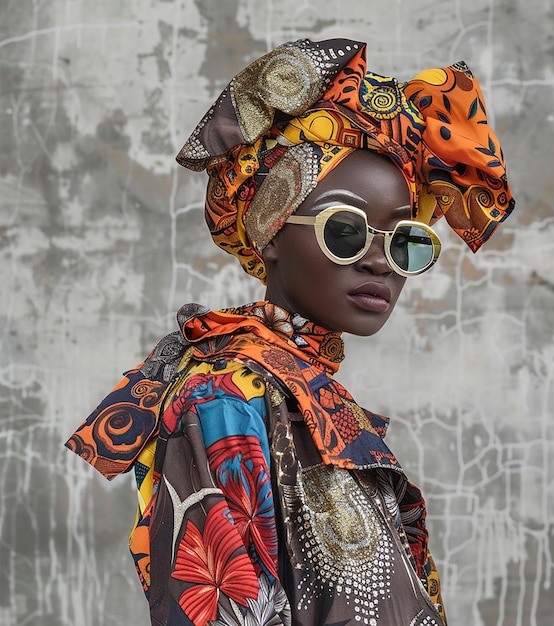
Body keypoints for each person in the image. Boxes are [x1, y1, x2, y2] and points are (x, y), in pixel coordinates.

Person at [66, 38, 514, 626]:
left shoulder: (307, 391)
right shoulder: (224, 397)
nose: (382, 263)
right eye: (347, 230)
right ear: (271, 231)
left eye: (406, 240)